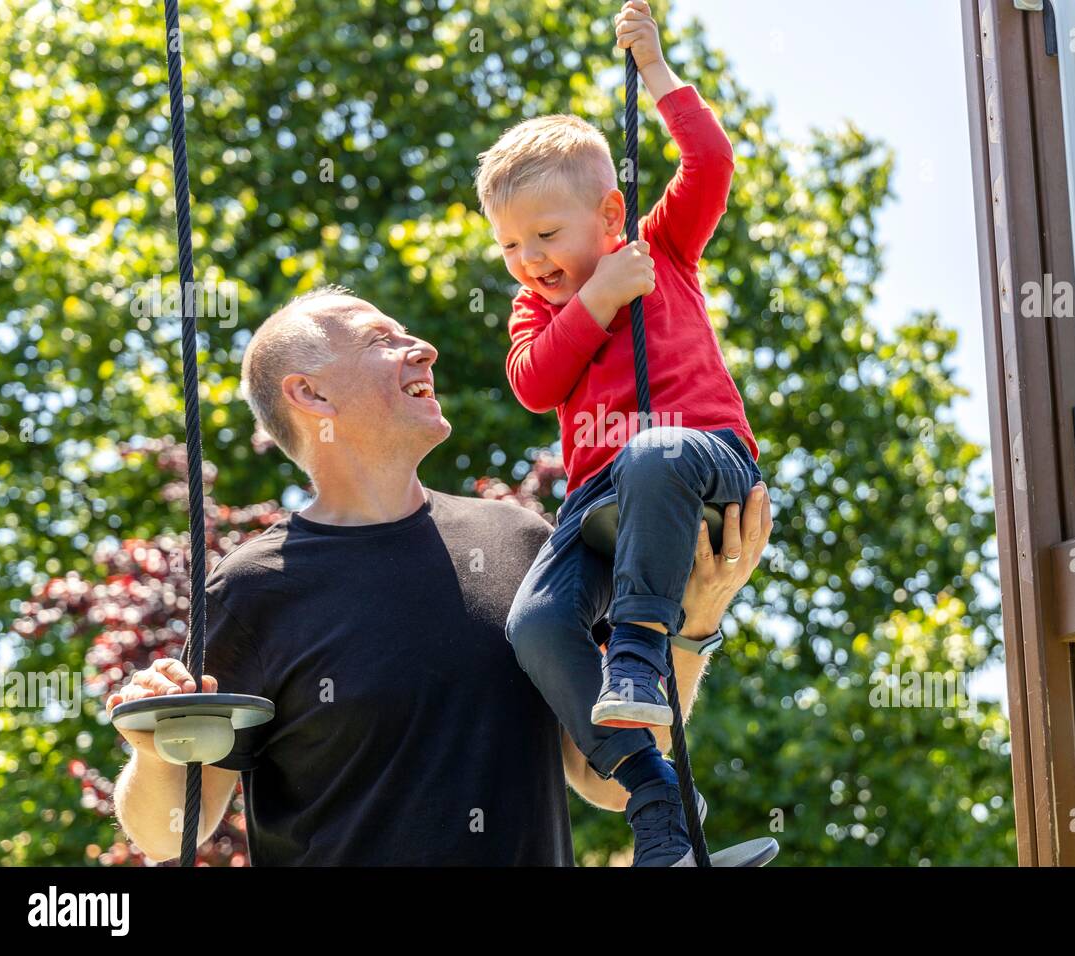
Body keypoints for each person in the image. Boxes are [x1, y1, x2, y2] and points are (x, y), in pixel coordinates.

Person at [106, 286, 770, 866]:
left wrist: (692, 628)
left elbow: (604, 775)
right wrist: (158, 751)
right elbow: (169, 835)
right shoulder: (252, 589)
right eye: (381, 341)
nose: (422, 348)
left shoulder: (521, 542)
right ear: (310, 394)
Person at [474, 1, 759, 865]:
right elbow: (533, 383)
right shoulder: (542, 306)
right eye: (511, 246)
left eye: (547, 236)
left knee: (652, 453)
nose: (529, 261)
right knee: (534, 623)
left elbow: (710, 163)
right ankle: (659, 806)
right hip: (601, 504)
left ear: (609, 214)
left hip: (702, 466)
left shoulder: (662, 247)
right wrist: (596, 300)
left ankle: (636, 654)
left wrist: (659, 75)